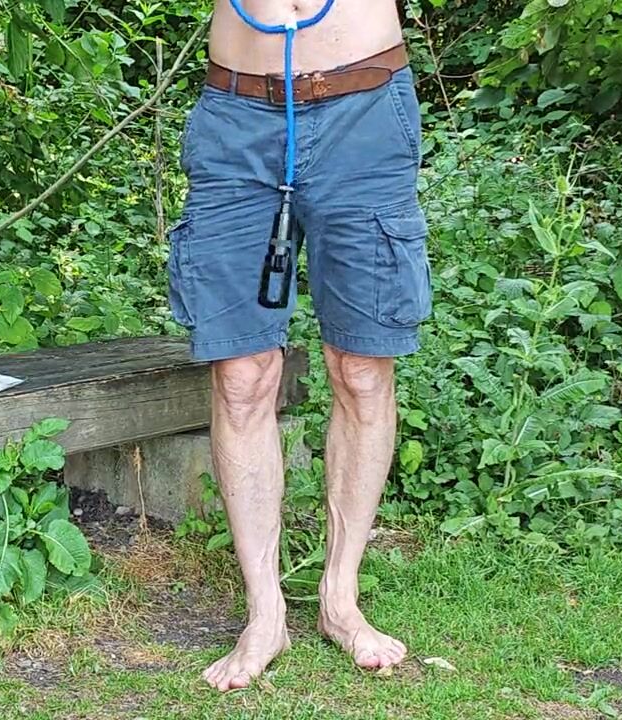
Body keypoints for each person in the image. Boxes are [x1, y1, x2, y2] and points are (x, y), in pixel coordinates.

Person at [167, 0, 431, 693]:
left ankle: (340, 599)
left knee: (362, 367)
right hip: (237, 117)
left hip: (365, 108)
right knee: (241, 375)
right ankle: (266, 614)